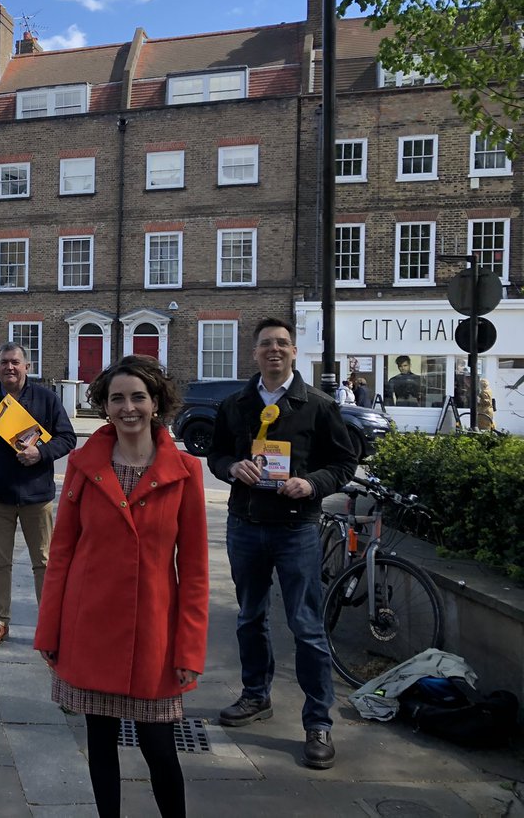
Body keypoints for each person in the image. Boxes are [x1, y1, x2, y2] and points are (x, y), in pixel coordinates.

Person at [35, 356, 208, 818]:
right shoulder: (82, 465)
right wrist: (48, 632)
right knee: (101, 746)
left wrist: (190, 649)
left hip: (154, 634)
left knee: (160, 751)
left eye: (138, 397)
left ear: (156, 403)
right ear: (104, 406)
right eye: (117, 398)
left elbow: (193, 570)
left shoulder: (186, 471)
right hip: (90, 629)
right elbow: (62, 556)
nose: (127, 407)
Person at [208, 318, 357, 770]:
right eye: (265, 345)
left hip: (297, 530)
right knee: (250, 617)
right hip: (245, 524)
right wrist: (232, 468)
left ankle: (318, 723)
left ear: (294, 352)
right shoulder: (235, 404)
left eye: (282, 344)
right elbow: (215, 455)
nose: (274, 350)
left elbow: (344, 461)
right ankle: (256, 696)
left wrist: (311, 484)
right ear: (254, 354)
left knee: (306, 626)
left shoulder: (318, 405)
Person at [0, 342, 77, 647]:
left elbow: (68, 438)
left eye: (15, 362)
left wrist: (42, 453)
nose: (9, 368)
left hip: (38, 497)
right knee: (0, 562)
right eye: (3, 363)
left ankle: (50, 625)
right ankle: (0, 622)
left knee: (44, 562)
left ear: (27, 366)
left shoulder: (46, 399)